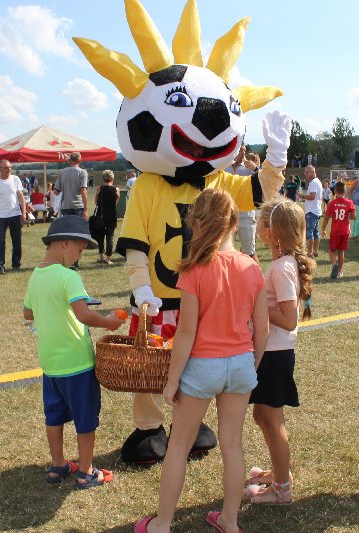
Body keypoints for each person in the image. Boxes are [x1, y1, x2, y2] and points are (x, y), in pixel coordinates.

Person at [134, 188, 269, 533]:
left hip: (202, 367)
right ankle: (230, 521)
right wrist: (251, 365)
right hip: (240, 364)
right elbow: (262, 328)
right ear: (234, 223)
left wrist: (172, 381)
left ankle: (162, 524)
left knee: (179, 445)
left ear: (195, 223)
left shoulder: (193, 270)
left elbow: (186, 332)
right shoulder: (252, 267)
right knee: (233, 445)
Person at [22, 216, 122, 489]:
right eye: (79, 250)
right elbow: (84, 314)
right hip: (78, 365)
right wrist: (110, 321)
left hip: (51, 365)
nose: (78, 257)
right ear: (65, 243)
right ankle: (86, 471)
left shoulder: (36, 275)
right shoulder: (70, 277)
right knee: (85, 419)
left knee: (53, 416)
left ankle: (58, 465)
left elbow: (27, 312)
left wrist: (51, 308)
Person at [245, 197, 315, 505]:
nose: (257, 227)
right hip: (268, 352)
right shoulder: (280, 265)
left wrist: (255, 301)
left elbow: (289, 319)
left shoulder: (283, 267)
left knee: (272, 421)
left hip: (275, 354)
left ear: (272, 232)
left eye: (261, 222)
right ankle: (278, 472)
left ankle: (282, 488)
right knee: (262, 415)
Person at [0, 160, 25, 274]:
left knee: (17, 241)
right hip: (1, 216)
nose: (9, 169)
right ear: (0, 169)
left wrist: (23, 213)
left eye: (10, 167)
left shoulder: (15, 179)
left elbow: (21, 197)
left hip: (15, 214)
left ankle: (16, 264)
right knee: (0, 241)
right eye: (6, 168)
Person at [227, 146, 258, 260]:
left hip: (246, 216)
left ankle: (255, 272)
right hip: (227, 216)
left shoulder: (249, 168)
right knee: (225, 251)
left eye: (244, 151)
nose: (243, 153)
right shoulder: (223, 167)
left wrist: (256, 168)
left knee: (250, 252)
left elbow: (265, 179)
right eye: (240, 150)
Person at [321, 181, 356, 279]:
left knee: (332, 249)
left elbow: (326, 218)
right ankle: (340, 271)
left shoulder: (332, 203)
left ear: (335, 192)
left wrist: (323, 229)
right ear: (345, 191)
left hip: (335, 231)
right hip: (345, 231)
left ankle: (334, 265)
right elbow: (354, 217)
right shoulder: (349, 203)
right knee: (341, 251)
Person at [94, 170, 120, 265]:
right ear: (112, 178)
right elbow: (116, 202)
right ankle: (108, 258)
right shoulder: (116, 189)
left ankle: (101, 257)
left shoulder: (99, 189)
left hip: (101, 215)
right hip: (112, 215)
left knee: (100, 237)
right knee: (110, 237)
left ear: (103, 178)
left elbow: (96, 202)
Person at [54, 152, 89, 220]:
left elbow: (56, 191)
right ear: (80, 160)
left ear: (69, 160)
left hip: (65, 206)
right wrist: (86, 209)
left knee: (67, 226)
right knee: (78, 225)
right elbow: (83, 191)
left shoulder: (62, 172)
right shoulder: (83, 172)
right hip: (78, 205)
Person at [298, 165, 323, 258]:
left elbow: (312, 196)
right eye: (305, 172)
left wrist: (301, 195)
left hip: (311, 211)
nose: (305, 174)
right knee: (316, 233)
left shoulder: (313, 182)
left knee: (309, 233)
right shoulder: (317, 181)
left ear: (313, 172)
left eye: (307, 172)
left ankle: (309, 252)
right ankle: (315, 251)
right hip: (316, 210)